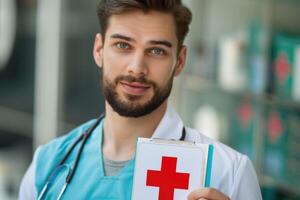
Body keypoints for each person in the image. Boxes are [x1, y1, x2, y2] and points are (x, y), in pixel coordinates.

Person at [19, 0, 262, 199]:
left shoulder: (228, 173)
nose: (137, 68)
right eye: (123, 45)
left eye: (157, 51)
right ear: (99, 50)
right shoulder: (48, 165)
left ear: (179, 61)